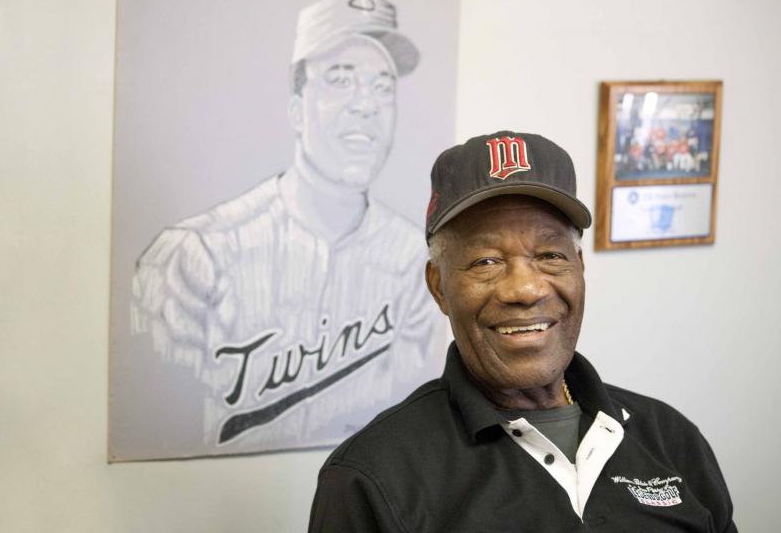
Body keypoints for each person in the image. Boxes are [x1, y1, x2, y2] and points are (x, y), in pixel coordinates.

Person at [309, 131, 736, 531]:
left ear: (579, 269)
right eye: (486, 261)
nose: (526, 289)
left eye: (550, 254)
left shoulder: (669, 437)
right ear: (439, 287)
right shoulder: (372, 476)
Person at [131, 0, 443, 454]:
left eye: (383, 87)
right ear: (296, 110)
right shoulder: (196, 254)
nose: (367, 104)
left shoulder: (415, 264)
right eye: (340, 80)